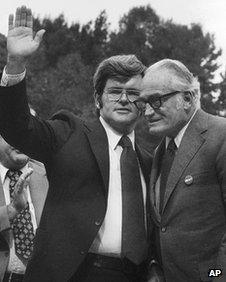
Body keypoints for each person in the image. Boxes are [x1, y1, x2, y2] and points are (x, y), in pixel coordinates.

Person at [0, 6, 164, 282]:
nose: (124, 99)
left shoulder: (150, 160)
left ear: (143, 103)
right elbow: (19, 128)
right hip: (73, 273)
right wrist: (16, 64)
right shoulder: (69, 132)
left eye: (133, 93)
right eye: (114, 91)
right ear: (98, 100)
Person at [139, 58, 226, 282]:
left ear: (186, 98)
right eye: (144, 103)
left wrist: (216, 277)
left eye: (156, 100)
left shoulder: (221, 135)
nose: (148, 112)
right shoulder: (161, 150)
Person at [0, 136, 48, 282]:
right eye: (11, 132)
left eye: (24, 132)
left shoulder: (52, 173)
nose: (19, 138)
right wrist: (12, 210)